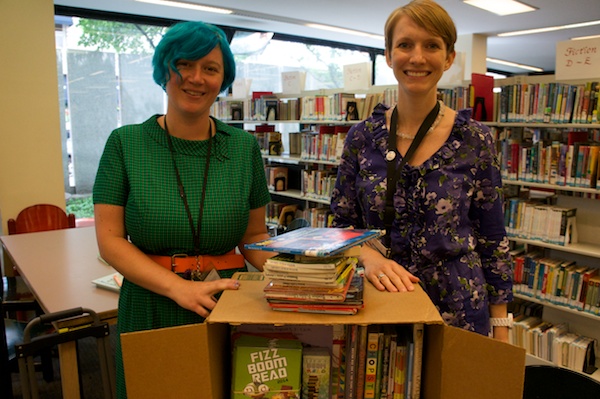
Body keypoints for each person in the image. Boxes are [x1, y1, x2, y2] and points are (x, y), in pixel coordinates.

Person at [93, 21, 273, 397]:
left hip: (229, 303)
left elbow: (255, 237)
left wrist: (301, 282)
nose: (196, 78)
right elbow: (110, 241)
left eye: (210, 68)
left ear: (223, 79)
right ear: (165, 70)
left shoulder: (243, 149)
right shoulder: (125, 144)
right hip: (151, 304)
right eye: (184, 65)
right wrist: (179, 289)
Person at [330, 0, 513, 342]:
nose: (417, 57)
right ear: (388, 55)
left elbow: (493, 237)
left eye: (431, 45)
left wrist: (500, 328)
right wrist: (367, 255)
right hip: (378, 301)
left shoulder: (475, 139)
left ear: (448, 58)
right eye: (405, 45)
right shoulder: (361, 138)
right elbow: (340, 227)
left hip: (459, 310)